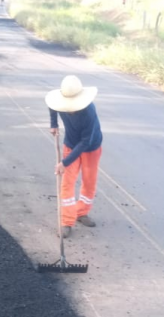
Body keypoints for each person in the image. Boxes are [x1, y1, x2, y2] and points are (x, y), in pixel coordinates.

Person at [45, 75, 103, 238]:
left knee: (89, 181)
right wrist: (54, 124)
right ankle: (67, 221)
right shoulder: (60, 104)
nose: (70, 109)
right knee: (67, 183)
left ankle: (82, 212)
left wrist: (64, 162)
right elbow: (52, 106)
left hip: (91, 147)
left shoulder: (89, 112)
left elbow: (85, 142)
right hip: (70, 144)